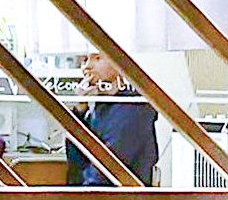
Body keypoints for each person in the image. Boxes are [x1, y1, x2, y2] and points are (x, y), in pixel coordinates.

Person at [64, 52, 162, 188]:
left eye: (97, 58)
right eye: (84, 60)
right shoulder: (99, 106)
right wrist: (80, 110)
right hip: (97, 198)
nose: (87, 67)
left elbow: (107, 169)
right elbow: (76, 165)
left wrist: (82, 197)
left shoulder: (134, 106)